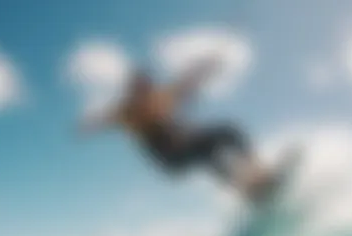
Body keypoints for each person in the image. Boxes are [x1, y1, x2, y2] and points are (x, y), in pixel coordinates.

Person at [79, 56, 277, 203]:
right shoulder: (126, 111)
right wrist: (89, 125)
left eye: (145, 87)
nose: (143, 93)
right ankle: (253, 183)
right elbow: (104, 119)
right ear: (131, 91)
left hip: (181, 152)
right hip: (169, 156)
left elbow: (185, 83)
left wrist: (207, 67)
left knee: (218, 145)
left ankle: (253, 185)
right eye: (137, 89)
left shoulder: (159, 97)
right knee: (217, 140)